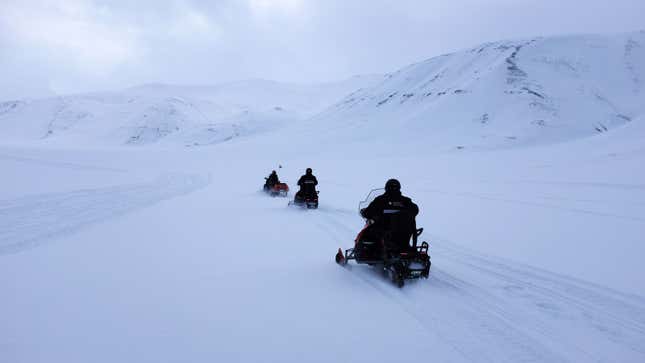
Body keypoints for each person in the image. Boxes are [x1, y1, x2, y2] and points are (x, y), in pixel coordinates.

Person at [360, 179, 419, 253]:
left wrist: (364, 212)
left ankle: (367, 251)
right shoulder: (406, 201)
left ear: (386, 188)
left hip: (385, 229)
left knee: (368, 233)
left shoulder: (380, 200)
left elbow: (369, 212)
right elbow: (415, 209)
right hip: (404, 230)